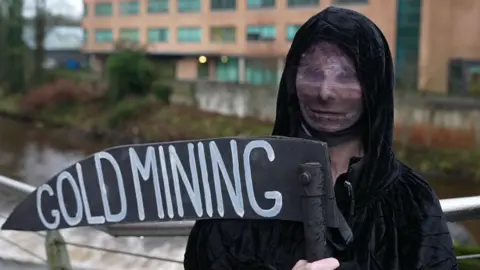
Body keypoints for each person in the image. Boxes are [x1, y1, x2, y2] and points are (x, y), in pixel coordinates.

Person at [184, 6, 458, 270]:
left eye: (347, 75)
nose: (326, 92)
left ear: (375, 87)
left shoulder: (411, 200)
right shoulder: (242, 192)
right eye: (314, 72)